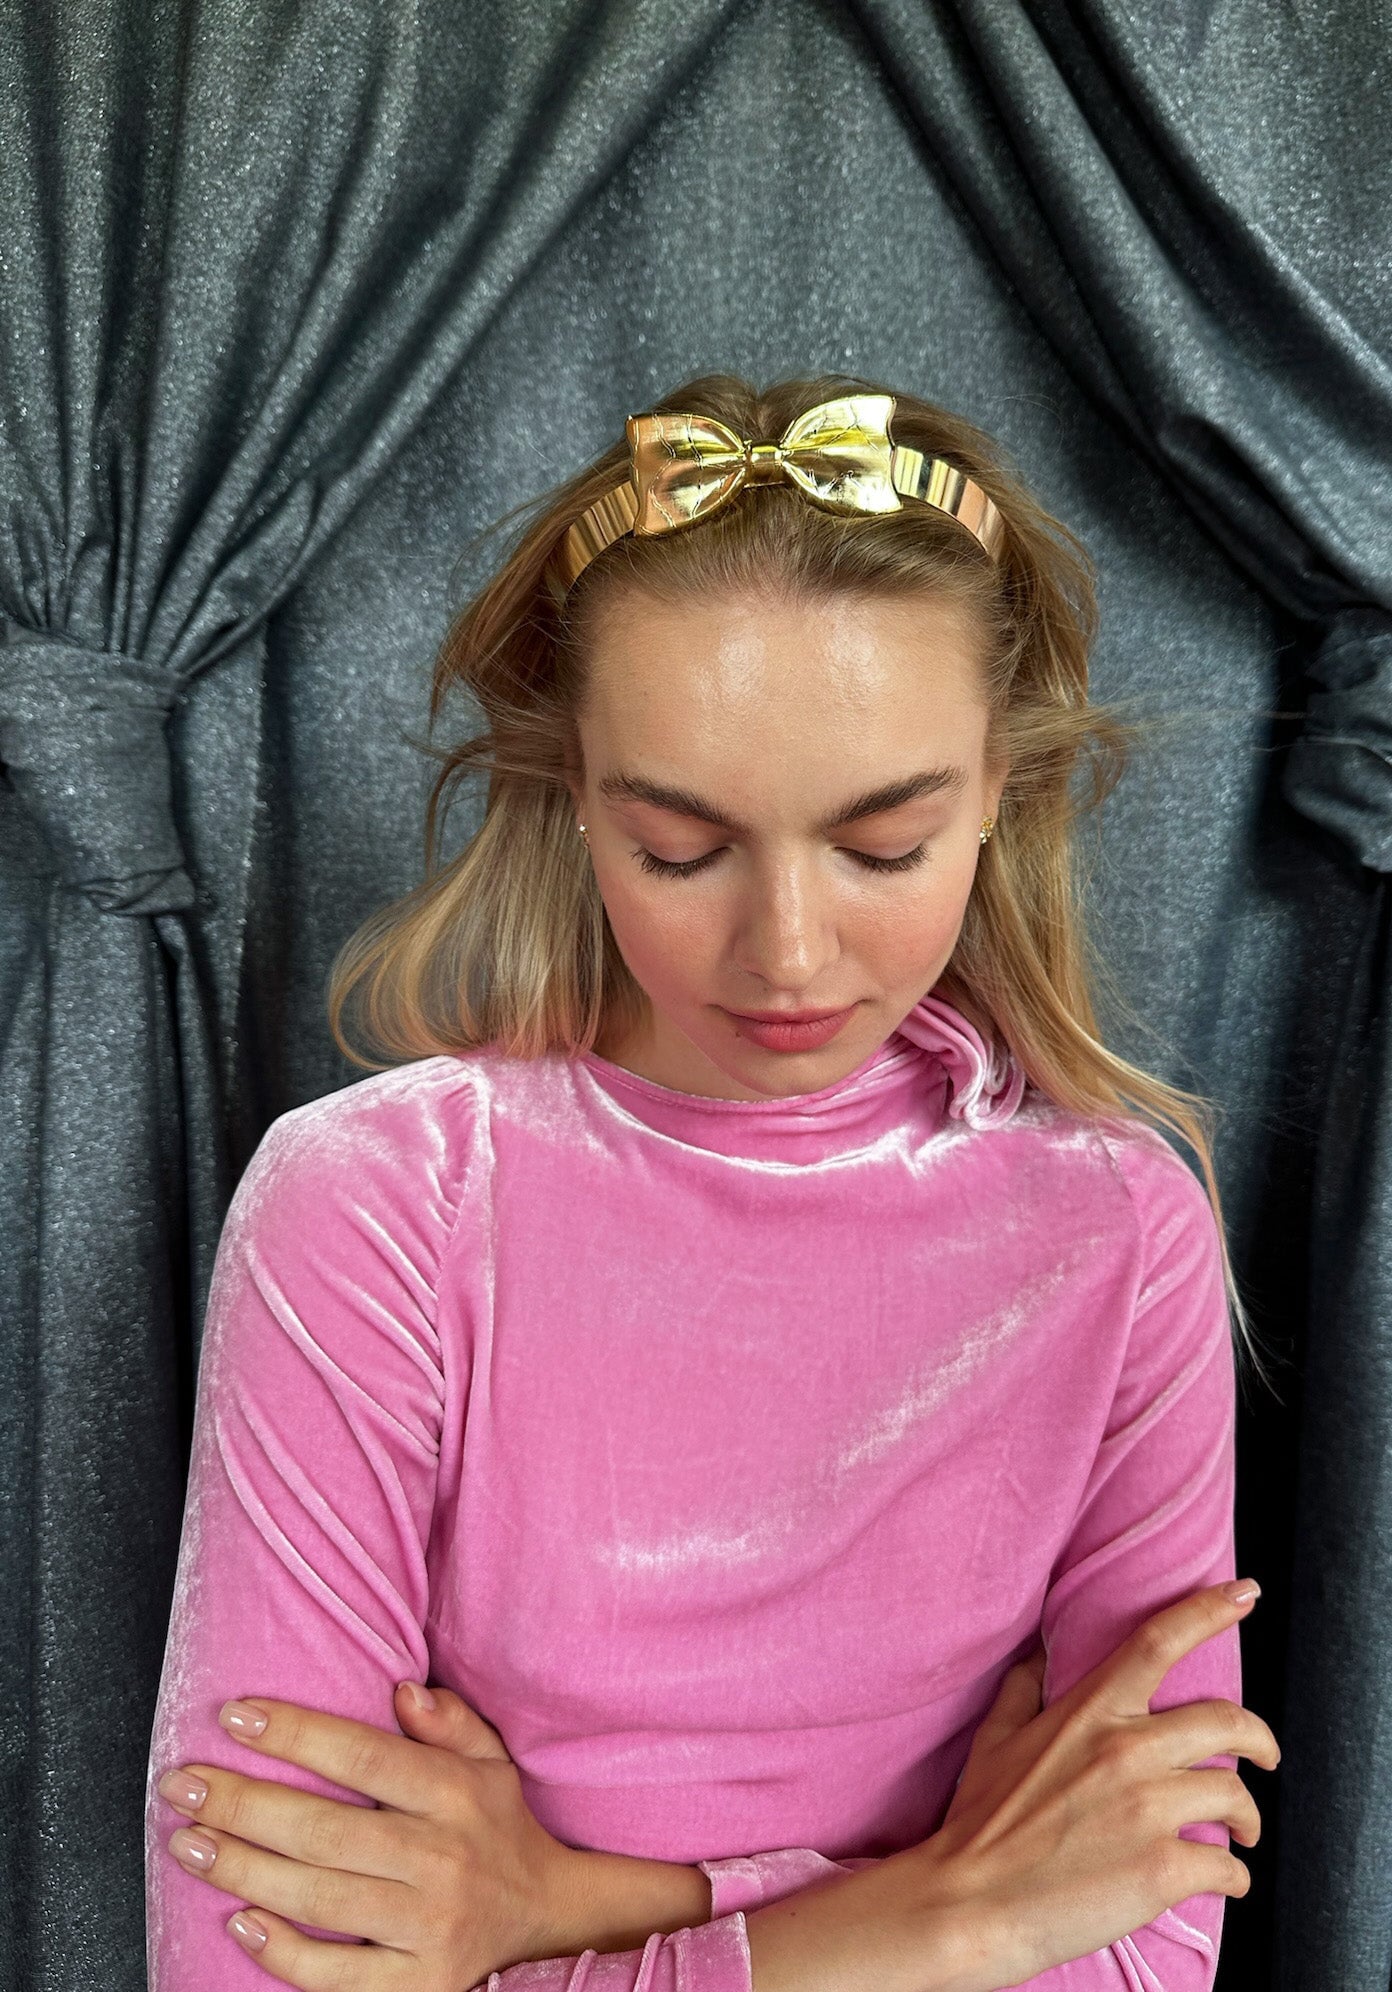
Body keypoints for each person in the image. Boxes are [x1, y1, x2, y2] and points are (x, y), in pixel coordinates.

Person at [144, 375, 1280, 1992]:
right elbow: (252, 1961)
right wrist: (950, 1914)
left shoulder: (1119, 1229)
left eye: (884, 846)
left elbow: (1142, 1950)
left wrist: (556, 1907)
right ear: (572, 791)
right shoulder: (378, 1208)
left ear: (1000, 793)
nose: (788, 954)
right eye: (679, 849)